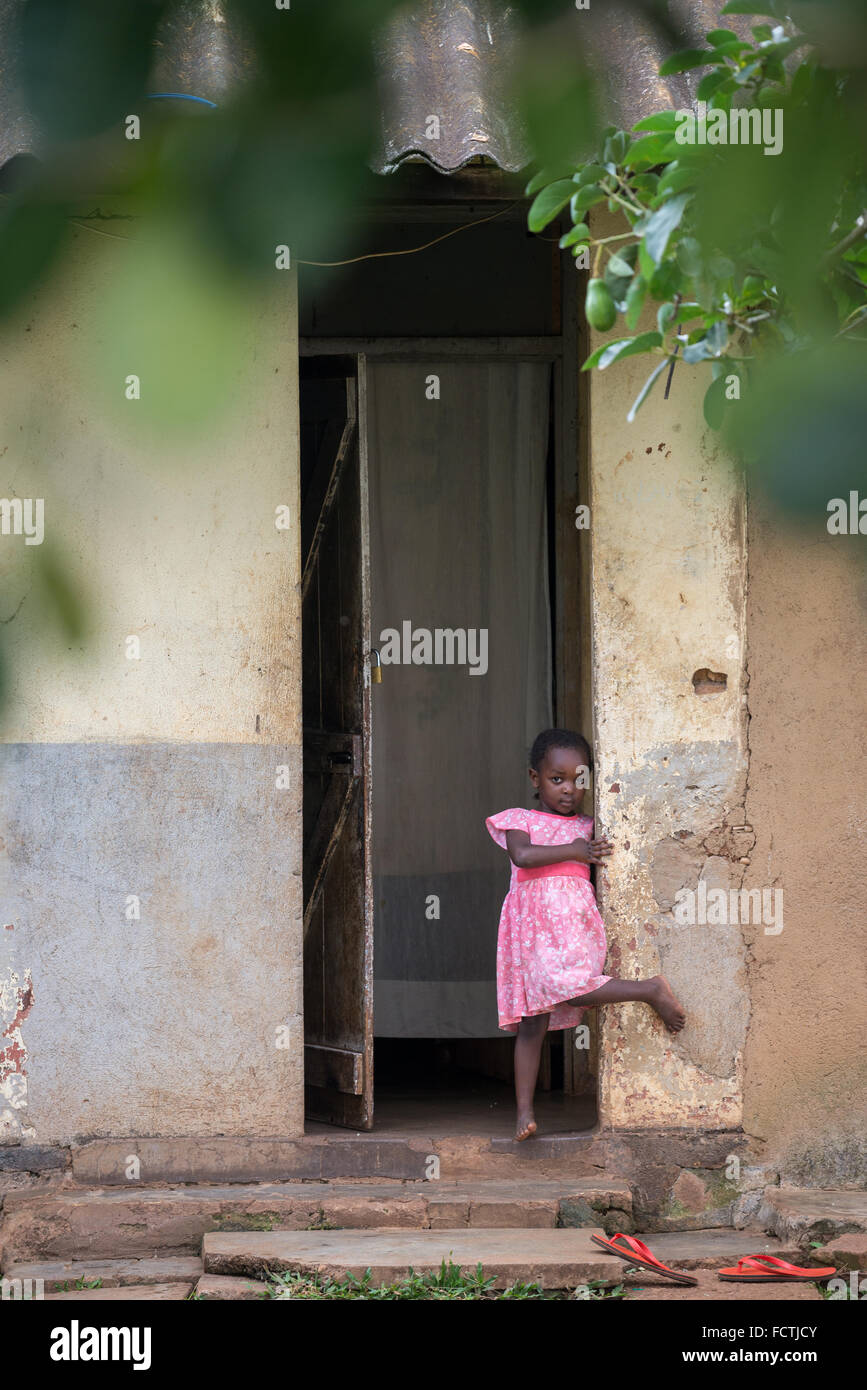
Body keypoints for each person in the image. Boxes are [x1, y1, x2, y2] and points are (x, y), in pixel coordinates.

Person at [486, 727, 686, 1141]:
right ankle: (523, 1112)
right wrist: (575, 850)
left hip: (572, 925)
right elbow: (522, 857)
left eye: (578, 780)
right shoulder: (520, 821)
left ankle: (649, 989)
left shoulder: (594, 825)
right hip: (529, 933)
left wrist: (584, 845)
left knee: (571, 988)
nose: (568, 789)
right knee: (530, 1024)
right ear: (534, 778)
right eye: (556, 779)